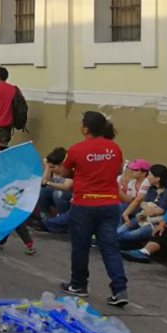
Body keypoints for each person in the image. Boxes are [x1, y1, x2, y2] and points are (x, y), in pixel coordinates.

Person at [59, 111, 129, 306]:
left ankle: (79, 284)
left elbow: (66, 172)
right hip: (109, 203)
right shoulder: (114, 148)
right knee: (110, 248)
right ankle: (120, 289)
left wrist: (81, 171)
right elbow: (118, 171)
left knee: (81, 246)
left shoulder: (76, 149)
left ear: (85, 128)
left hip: (84, 203)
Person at [119, 164, 167, 247]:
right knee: (119, 232)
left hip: (155, 223)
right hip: (143, 216)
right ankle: (119, 242)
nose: (147, 177)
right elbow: (143, 203)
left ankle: (120, 243)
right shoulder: (152, 188)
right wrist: (148, 207)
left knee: (129, 235)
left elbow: (160, 210)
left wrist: (147, 207)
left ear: (158, 178)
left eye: (150, 175)